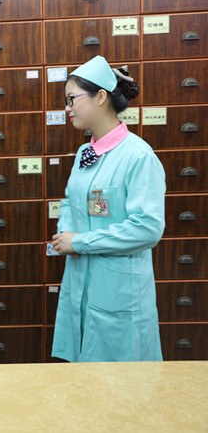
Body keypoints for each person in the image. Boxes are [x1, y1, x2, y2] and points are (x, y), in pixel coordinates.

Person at [50, 55, 165, 362]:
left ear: (100, 97)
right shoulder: (85, 153)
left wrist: (80, 242)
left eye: (72, 99)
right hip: (80, 278)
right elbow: (71, 200)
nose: (67, 108)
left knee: (122, 381)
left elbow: (147, 228)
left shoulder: (138, 157)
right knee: (85, 378)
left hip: (119, 290)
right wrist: (65, 233)